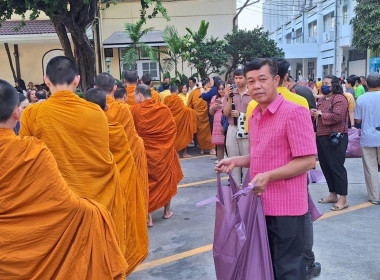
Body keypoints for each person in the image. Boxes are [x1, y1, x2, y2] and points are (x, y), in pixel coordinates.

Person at [0, 79, 128, 279]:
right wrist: (96, 212)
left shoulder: (33, 132)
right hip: (30, 244)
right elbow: (64, 204)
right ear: (17, 112)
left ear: (47, 81)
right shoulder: (31, 152)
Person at [216, 58, 317, 280]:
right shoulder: (255, 114)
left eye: (262, 79)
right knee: (265, 266)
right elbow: (263, 155)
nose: (256, 86)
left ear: (276, 80)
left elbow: (308, 160)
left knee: (288, 270)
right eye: (251, 81)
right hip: (260, 205)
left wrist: (269, 176)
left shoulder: (294, 112)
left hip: (287, 208)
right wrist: (237, 161)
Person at [19, 56, 127, 255]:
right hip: (95, 200)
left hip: (53, 203)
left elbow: (26, 161)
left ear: (47, 80)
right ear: (77, 80)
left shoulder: (31, 114)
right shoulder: (96, 113)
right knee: (94, 257)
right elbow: (104, 161)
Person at [93, 74, 149, 275]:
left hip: (99, 173)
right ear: (115, 89)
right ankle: (124, 251)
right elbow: (132, 140)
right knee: (126, 207)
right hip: (125, 166)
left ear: (94, 88)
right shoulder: (123, 109)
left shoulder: (87, 112)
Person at [131, 84, 184, 227]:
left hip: (145, 153)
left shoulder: (135, 110)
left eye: (134, 96)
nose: (133, 98)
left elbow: (132, 132)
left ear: (140, 95)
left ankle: (149, 218)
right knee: (167, 179)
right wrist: (166, 146)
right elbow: (173, 130)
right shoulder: (164, 109)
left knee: (146, 182)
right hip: (164, 152)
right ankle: (166, 211)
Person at [311, 75, 349, 211]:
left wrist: (321, 115)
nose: (323, 86)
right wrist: (314, 112)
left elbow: (338, 116)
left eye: (327, 83)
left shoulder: (339, 99)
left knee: (337, 167)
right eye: (323, 83)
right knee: (326, 166)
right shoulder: (322, 100)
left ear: (334, 85)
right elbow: (319, 115)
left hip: (335, 137)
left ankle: (343, 198)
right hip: (322, 137)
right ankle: (333, 194)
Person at [222, 66, 251, 185]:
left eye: (240, 78)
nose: (238, 81)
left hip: (246, 129)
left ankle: (246, 188)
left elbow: (256, 112)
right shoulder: (231, 94)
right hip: (232, 128)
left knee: (246, 160)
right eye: (236, 78)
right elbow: (225, 113)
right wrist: (229, 98)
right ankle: (235, 188)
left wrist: (241, 115)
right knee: (233, 159)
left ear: (246, 78)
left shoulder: (251, 93)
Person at [354, 72, 380, 204]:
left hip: (368, 137)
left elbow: (357, 120)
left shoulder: (362, 99)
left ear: (367, 84)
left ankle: (375, 197)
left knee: (371, 168)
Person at [164, 85, 197, 158]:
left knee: (173, 137)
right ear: (176, 91)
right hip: (180, 121)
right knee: (184, 134)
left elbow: (165, 109)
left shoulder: (166, 99)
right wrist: (192, 112)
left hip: (171, 121)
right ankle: (184, 153)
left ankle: (176, 153)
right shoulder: (178, 99)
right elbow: (183, 109)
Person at [187, 80, 215, 155]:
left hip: (198, 115)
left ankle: (202, 149)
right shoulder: (208, 90)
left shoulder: (192, 93)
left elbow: (189, 105)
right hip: (207, 115)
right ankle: (212, 149)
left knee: (201, 132)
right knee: (209, 132)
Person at [209, 81, 227, 162]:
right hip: (217, 123)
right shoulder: (214, 98)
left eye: (222, 89)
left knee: (227, 144)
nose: (221, 91)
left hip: (226, 122)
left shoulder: (228, 97)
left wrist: (222, 105)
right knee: (219, 145)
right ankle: (220, 162)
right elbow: (211, 112)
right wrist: (213, 107)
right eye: (219, 89)